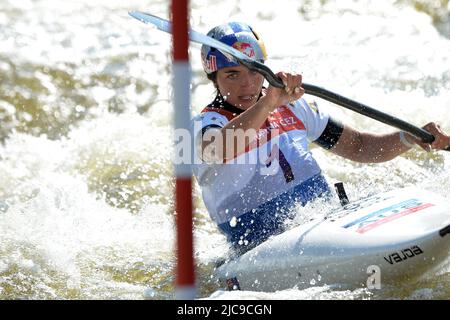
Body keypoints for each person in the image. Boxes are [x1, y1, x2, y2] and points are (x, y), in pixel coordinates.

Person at [191, 22, 450, 255]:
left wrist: (409, 137)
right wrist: (268, 104)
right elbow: (218, 150)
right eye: (232, 75)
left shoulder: (293, 106)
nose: (247, 84)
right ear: (214, 78)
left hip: (324, 219)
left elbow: (360, 147)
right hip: (259, 245)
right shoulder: (202, 127)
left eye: (254, 71)